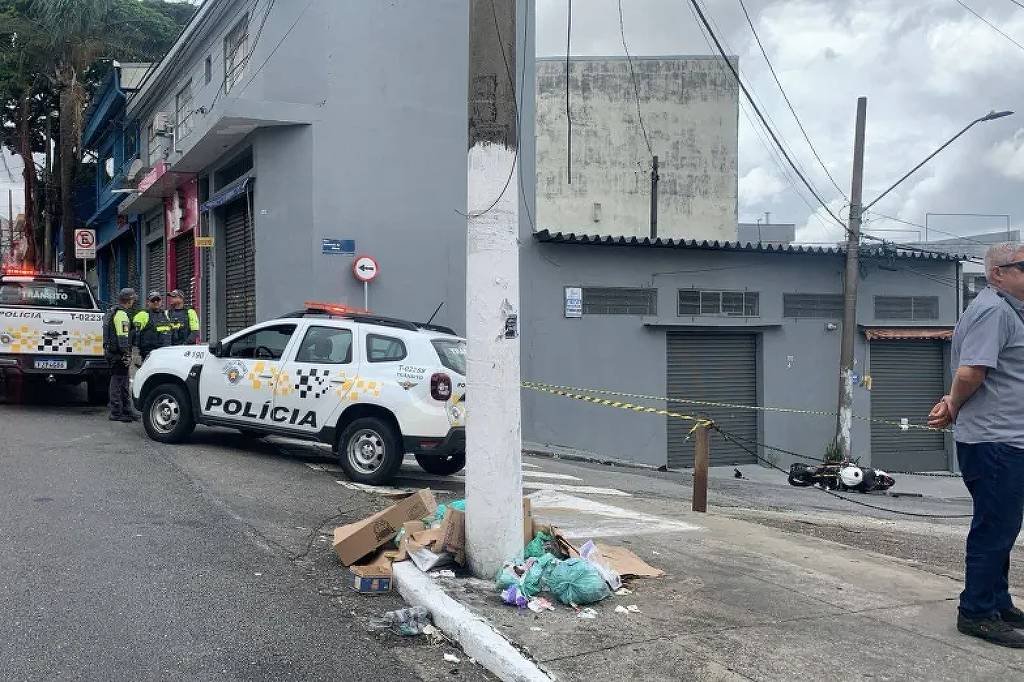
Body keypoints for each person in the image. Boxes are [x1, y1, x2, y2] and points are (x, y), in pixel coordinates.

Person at [928, 241, 1024, 648]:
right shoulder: (994, 311)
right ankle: (977, 613)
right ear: (997, 273)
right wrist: (953, 403)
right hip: (995, 440)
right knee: (994, 528)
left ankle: (997, 602)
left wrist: (952, 402)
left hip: (1003, 438)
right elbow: (970, 373)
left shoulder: (1006, 309)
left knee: (1003, 526)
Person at [102, 288, 137, 422]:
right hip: (118, 354)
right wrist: (127, 354)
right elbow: (122, 338)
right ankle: (116, 412)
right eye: (133, 299)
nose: (134, 301)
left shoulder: (115, 312)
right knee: (118, 383)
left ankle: (126, 410)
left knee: (123, 382)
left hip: (114, 352)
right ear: (129, 300)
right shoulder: (121, 315)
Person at [132, 291, 173, 361]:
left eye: (158, 300)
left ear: (161, 301)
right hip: (149, 355)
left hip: (166, 354)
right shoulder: (142, 315)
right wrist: (136, 354)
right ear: (148, 302)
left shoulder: (166, 314)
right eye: (153, 300)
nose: (156, 302)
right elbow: (134, 335)